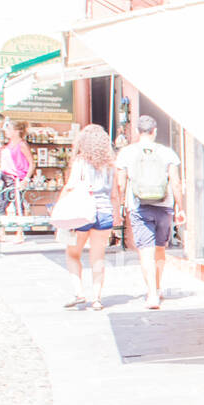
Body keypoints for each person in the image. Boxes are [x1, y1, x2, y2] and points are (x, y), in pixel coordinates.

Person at [116, 115, 185, 309]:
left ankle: (152, 294)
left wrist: (121, 205)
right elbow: (176, 182)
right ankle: (158, 286)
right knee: (160, 249)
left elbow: (121, 184)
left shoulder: (126, 153)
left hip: (139, 206)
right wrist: (180, 207)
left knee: (146, 252)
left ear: (138, 132)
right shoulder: (167, 152)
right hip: (164, 206)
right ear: (154, 131)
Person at [61, 125, 122, 311]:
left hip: (82, 213)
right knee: (98, 257)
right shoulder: (111, 165)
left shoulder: (80, 162)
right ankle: (96, 298)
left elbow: (71, 186)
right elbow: (114, 194)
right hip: (104, 214)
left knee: (72, 254)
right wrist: (117, 214)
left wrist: (60, 208)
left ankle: (79, 293)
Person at [0, 118, 32, 244]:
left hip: (15, 178)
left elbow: (31, 163)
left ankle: (19, 233)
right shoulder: (6, 145)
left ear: (16, 131)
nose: (6, 131)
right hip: (5, 177)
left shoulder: (21, 145)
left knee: (18, 206)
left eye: (9, 128)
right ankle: (1, 233)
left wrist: (26, 179)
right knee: (1, 205)